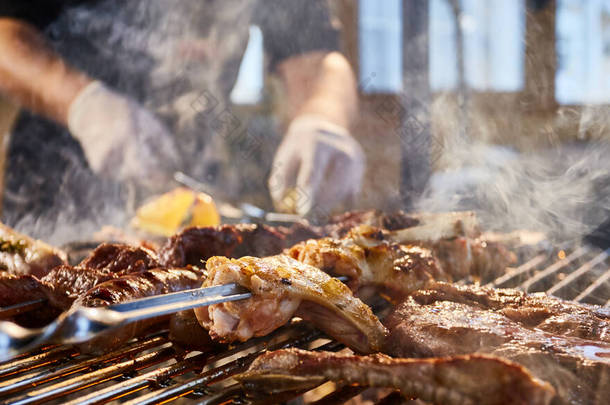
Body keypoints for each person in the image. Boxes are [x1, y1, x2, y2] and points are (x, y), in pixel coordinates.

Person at [0, 0, 364, 238]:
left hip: (191, 189)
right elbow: (6, 37)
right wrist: (85, 104)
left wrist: (322, 118)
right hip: (56, 207)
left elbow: (316, 60)